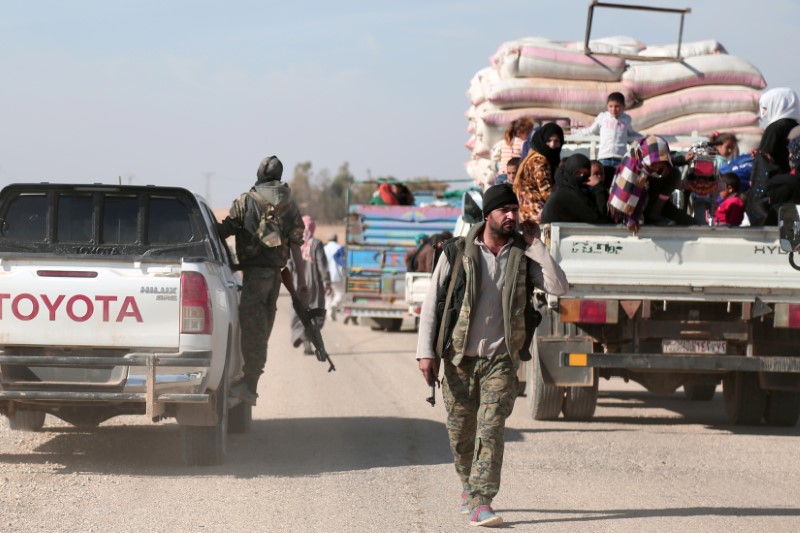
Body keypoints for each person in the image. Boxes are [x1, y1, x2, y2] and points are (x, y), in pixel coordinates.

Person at [416, 184, 568, 527]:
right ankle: (469, 487)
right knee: (461, 435)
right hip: (458, 359)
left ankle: (482, 499)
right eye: (505, 210)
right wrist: (426, 354)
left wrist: (538, 246)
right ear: (488, 215)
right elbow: (431, 305)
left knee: (491, 427)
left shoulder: (521, 256)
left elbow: (560, 286)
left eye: (515, 209)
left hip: (500, 359)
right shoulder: (456, 253)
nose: (512, 216)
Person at [218, 155, 307, 406]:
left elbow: (225, 229)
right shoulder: (289, 205)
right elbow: (297, 246)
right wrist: (301, 282)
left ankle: (249, 384)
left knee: (253, 329)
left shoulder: (246, 201)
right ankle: (250, 381)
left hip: (255, 275)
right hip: (276, 276)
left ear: (259, 174)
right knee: (263, 327)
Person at [608, 135, 696, 233]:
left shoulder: (647, 154)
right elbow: (631, 197)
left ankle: (655, 213)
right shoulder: (633, 168)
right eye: (654, 165)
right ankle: (651, 216)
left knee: (674, 174)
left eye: (660, 165)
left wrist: (683, 159)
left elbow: (666, 158)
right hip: (628, 204)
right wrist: (631, 220)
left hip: (652, 199)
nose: (657, 169)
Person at [290, 216, 332, 354]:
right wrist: (327, 282)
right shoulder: (316, 244)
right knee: (316, 311)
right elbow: (322, 266)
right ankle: (308, 336)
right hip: (314, 284)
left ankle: (302, 334)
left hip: (298, 283)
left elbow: (289, 265)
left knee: (299, 311)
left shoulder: (295, 243)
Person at [575, 91, 642, 169]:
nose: (613, 109)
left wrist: (645, 137)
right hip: (604, 157)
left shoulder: (626, 119)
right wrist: (574, 132)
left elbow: (631, 133)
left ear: (623, 106)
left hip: (620, 158)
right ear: (607, 106)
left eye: (617, 106)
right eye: (610, 106)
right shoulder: (602, 118)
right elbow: (591, 131)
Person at [514, 122, 564, 223]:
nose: (552, 145)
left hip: (528, 213)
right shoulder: (540, 160)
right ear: (542, 140)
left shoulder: (535, 155)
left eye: (557, 141)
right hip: (536, 214)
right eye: (549, 141)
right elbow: (546, 192)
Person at [541, 154, 609, 224]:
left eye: (585, 173)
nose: (582, 176)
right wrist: (599, 188)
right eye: (578, 173)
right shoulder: (566, 193)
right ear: (570, 172)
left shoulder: (570, 188)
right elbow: (599, 219)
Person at [753, 88, 800, 174]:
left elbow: (764, 157)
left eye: (765, 108)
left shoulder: (774, 128)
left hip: (778, 178)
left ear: (777, 105)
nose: (762, 113)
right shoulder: (797, 127)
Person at [323, 233, 345, 321]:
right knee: (339, 293)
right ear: (336, 239)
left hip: (326, 275)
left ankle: (329, 314)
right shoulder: (339, 248)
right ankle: (334, 305)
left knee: (328, 295)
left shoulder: (324, 249)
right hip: (337, 275)